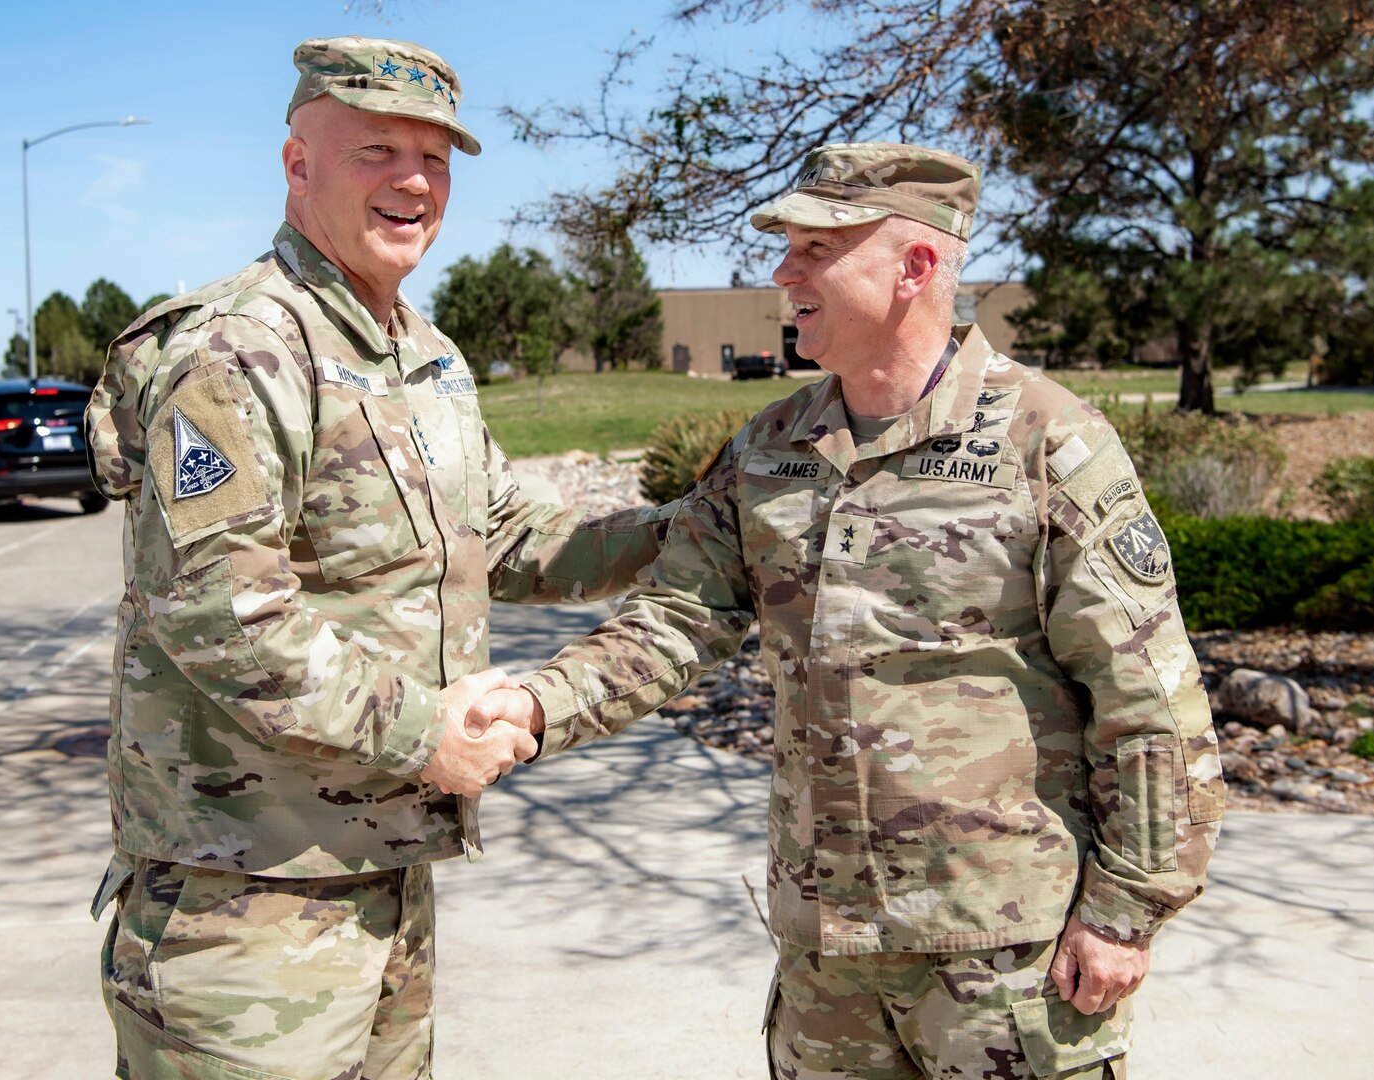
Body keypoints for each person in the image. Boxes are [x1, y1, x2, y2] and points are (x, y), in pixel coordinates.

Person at [472, 143, 1225, 1079]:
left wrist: (1124, 911)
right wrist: (541, 706)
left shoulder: (1048, 442)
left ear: (915, 266)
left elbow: (1150, 697)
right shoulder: (772, 444)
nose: (783, 272)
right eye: (786, 246)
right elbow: (676, 619)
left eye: (816, 247)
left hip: (1001, 957)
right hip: (827, 950)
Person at [82, 36, 674, 1080]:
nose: (413, 181)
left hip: (384, 874)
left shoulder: (425, 357)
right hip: (246, 899)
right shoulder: (239, 348)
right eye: (377, 151)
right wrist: (421, 738)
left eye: (436, 158)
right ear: (297, 163)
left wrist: (703, 529)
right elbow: (224, 615)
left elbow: (510, 535)